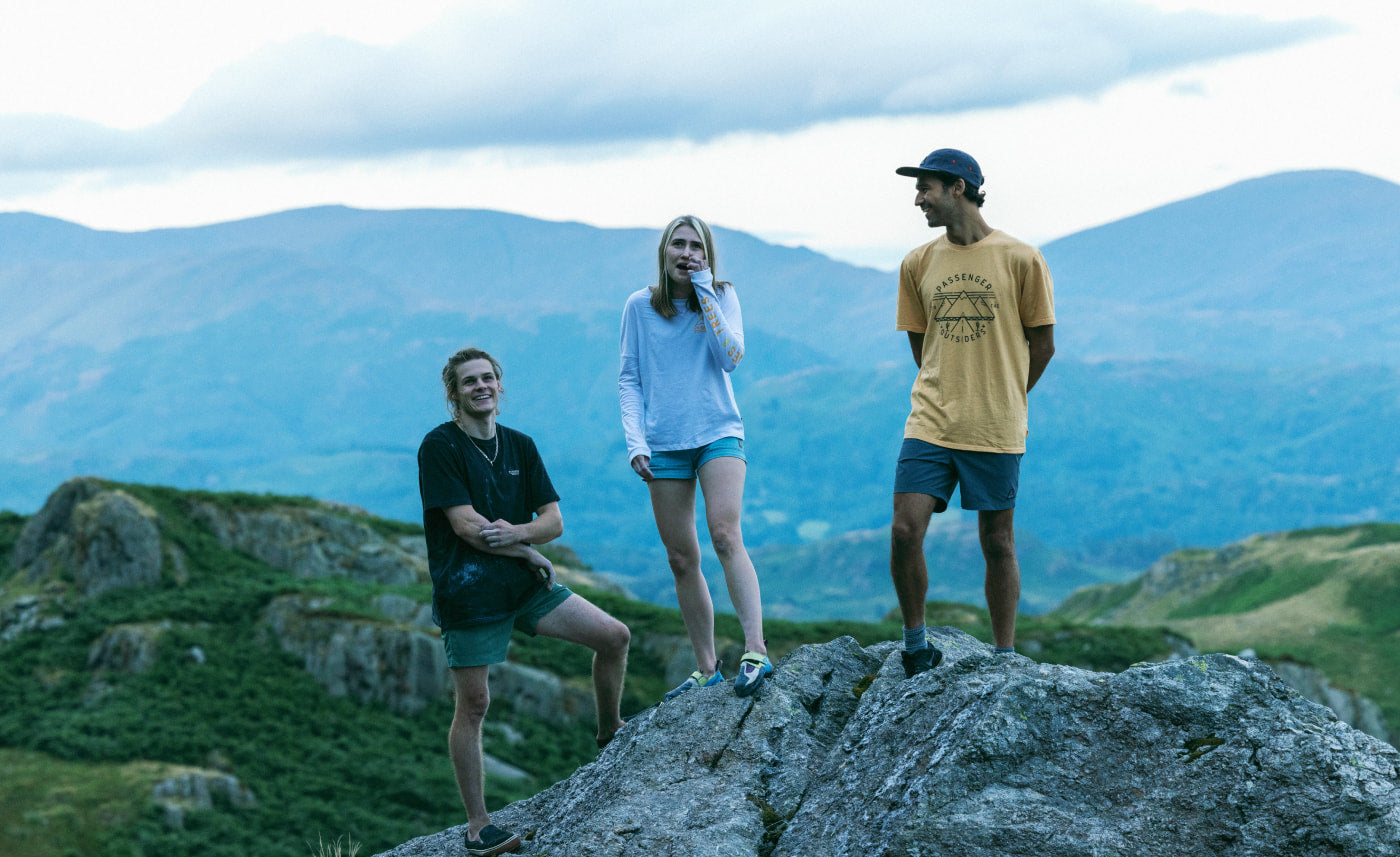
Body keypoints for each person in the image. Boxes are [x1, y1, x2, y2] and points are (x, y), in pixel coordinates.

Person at [419, 346, 631, 857]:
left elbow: (553, 521)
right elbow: (466, 526)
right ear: (454, 394)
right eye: (469, 382)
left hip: (522, 586)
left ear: (500, 386)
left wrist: (519, 538)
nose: (481, 387)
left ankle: (609, 733)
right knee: (474, 703)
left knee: (614, 636)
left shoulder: (520, 446)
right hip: (469, 592)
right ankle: (477, 826)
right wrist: (526, 549)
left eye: (488, 378)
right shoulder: (440, 447)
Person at [888, 149, 1056, 678]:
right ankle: (916, 645)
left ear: (958, 188)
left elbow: (1043, 345)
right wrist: (949, 384)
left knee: (997, 542)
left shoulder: (1021, 258)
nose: (918, 200)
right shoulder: (917, 262)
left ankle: (1004, 657)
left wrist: (1005, 393)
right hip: (930, 420)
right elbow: (922, 345)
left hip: (996, 424)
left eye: (927, 188)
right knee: (903, 532)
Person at [618, 215, 772, 699]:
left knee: (725, 534)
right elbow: (629, 378)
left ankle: (755, 650)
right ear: (664, 251)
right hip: (663, 442)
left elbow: (731, 357)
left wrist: (705, 292)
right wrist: (635, 441)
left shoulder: (722, 296)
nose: (687, 254)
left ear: (708, 256)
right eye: (679, 245)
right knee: (681, 557)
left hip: (718, 432)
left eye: (697, 247)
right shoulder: (640, 306)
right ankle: (707, 666)